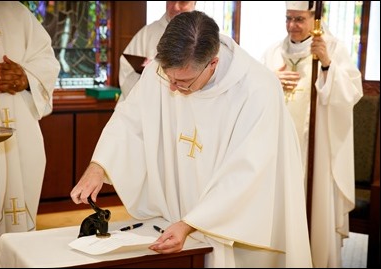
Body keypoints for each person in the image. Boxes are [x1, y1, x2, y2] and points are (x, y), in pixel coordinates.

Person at [71, 11, 312, 267]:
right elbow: (130, 120)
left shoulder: (257, 89)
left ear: (213, 63)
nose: (173, 88)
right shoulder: (163, 72)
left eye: (183, 82)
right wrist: (99, 166)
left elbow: (247, 174)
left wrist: (190, 223)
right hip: (171, 216)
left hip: (233, 230)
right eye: (168, 77)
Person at [262, 1, 363, 267]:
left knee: (314, 214)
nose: (292, 26)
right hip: (279, 150)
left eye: (299, 19)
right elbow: (253, 93)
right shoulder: (272, 53)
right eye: (288, 18)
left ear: (314, 19)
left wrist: (328, 65)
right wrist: (271, 80)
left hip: (316, 151)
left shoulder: (333, 49)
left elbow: (351, 94)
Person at [0, 1, 60, 247]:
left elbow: (47, 62)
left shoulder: (18, 12)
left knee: (17, 214)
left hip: (20, 133)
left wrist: (26, 77)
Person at [118, 1, 196, 101]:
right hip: (150, 106)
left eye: (182, 2)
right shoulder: (147, 33)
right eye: (171, 1)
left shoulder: (205, 36)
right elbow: (127, 70)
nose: (176, 7)